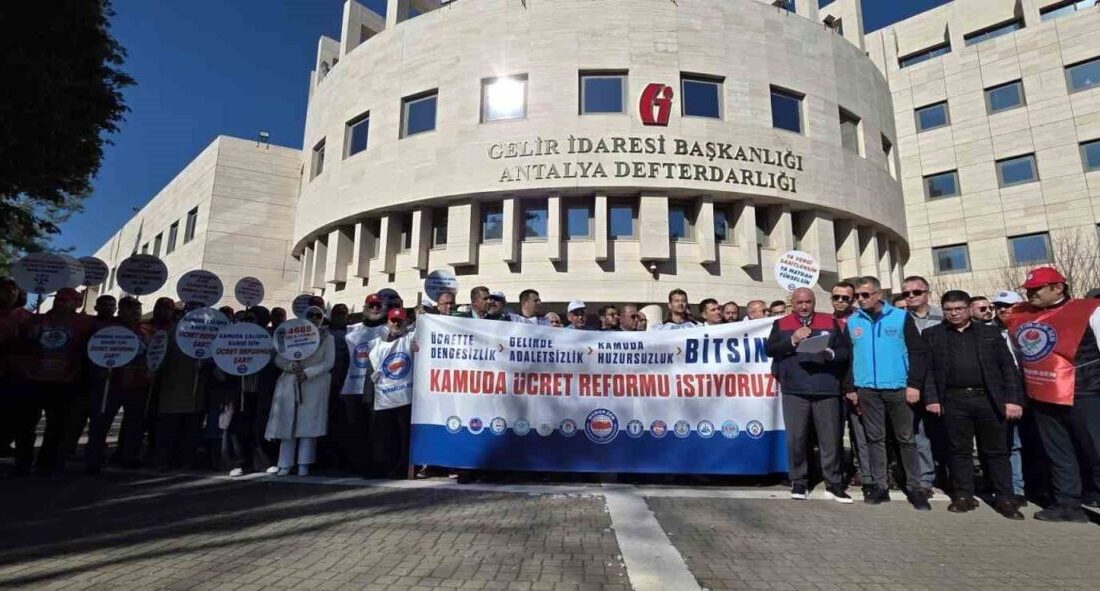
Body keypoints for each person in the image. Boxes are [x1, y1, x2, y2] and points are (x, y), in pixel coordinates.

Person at [1002, 266, 1100, 523]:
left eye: (1037, 289)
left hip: (1085, 394)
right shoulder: (1020, 316)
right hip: (1043, 396)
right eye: (1028, 290)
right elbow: (1017, 357)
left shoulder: (1089, 310)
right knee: (1058, 453)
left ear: (1058, 288)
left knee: (1095, 451)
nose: (1031, 294)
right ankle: (1067, 504)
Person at [923, 290, 1025, 519]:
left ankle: (1005, 498)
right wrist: (932, 398)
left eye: (959, 308)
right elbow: (928, 370)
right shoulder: (933, 334)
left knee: (997, 451)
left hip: (988, 399)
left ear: (969, 309)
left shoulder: (989, 332)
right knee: (959, 451)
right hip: (953, 400)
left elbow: (1007, 367)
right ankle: (963, 495)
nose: (954, 313)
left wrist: (1012, 399)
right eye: (948, 310)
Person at [844, 276, 931, 510]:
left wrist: (914, 384)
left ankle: (915, 488)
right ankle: (880, 486)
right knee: (875, 439)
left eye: (865, 295)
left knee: (906, 439)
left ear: (878, 294)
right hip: (867, 389)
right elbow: (848, 357)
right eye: (857, 296)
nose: (860, 299)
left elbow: (917, 352)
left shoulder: (901, 317)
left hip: (898, 388)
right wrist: (850, 387)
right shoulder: (853, 321)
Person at [766, 287, 853, 503]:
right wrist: (793, 340)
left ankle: (834, 483)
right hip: (795, 390)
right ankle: (799, 481)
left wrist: (831, 353)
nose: (804, 306)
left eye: (808, 302)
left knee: (830, 439)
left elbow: (845, 352)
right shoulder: (781, 323)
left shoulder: (829, 321)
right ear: (792, 304)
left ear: (814, 302)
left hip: (826, 388)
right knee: (796, 439)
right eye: (800, 302)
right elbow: (770, 350)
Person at [9, 287, 92, 474]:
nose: (60, 303)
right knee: (26, 423)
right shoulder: (35, 320)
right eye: (58, 299)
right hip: (33, 380)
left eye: (66, 300)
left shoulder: (84, 324)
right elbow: (19, 345)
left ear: (76, 303)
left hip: (64, 382)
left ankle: (47, 460)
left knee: (57, 425)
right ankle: (23, 460)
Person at [85, 297, 152, 474]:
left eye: (137, 309)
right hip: (112, 383)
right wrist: (100, 370)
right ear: (120, 311)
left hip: (137, 383)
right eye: (129, 309)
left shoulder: (146, 331)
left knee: (134, 424)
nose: (135, 312)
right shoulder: (108, 330)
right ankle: (94, 457)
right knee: (101, 422)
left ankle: (129, 457)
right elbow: (95, 351)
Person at [266, 306, 335, 476]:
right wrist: (291, 366)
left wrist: (308, 373)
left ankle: (304, 464)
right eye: (311, 315)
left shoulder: (327, 338)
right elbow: (279, 358)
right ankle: (285, 464)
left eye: (318, 315)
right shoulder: (290, 334)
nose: (314, 318)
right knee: (287, 425)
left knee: (308, 426)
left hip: (313, 384)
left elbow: (328, 363)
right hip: (290, 383)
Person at [901, 275, 944, 497]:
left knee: (946, 432)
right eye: (906, 293)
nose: (911, 296)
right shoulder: (899, 319)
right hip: (912, 383)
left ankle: (948, 475)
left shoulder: (943, 317)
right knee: (919, 434)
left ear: (927, 292)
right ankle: (925, 479)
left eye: (916, 292)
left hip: (942, 383)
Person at [155, 301, 210, 470]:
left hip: (195, 391)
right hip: (173, 388)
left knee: (191, 430)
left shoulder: (209, 332)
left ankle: (187, 459)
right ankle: (165, 460)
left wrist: (205, 363)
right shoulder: (172, 331)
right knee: (169, 429)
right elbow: (159, 357)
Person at [364, 307, 416, 479]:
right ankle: (382, 466)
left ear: (406, 322)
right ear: (388, 322)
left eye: (400, 321)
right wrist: (368, 396)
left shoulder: (410, 339)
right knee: (383, 435)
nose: (396, 324)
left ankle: (401, 467)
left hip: (405, 398)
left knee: (403, 435)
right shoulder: (376, 344)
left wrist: (422, 317)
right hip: (383, 398)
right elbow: (371, 371)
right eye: (393, 321)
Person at [0, 278, 31, 460]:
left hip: (15, 373)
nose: (9, 294)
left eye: (13, 290)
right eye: (4, 290)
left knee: (11, 413)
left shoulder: (27, 317)